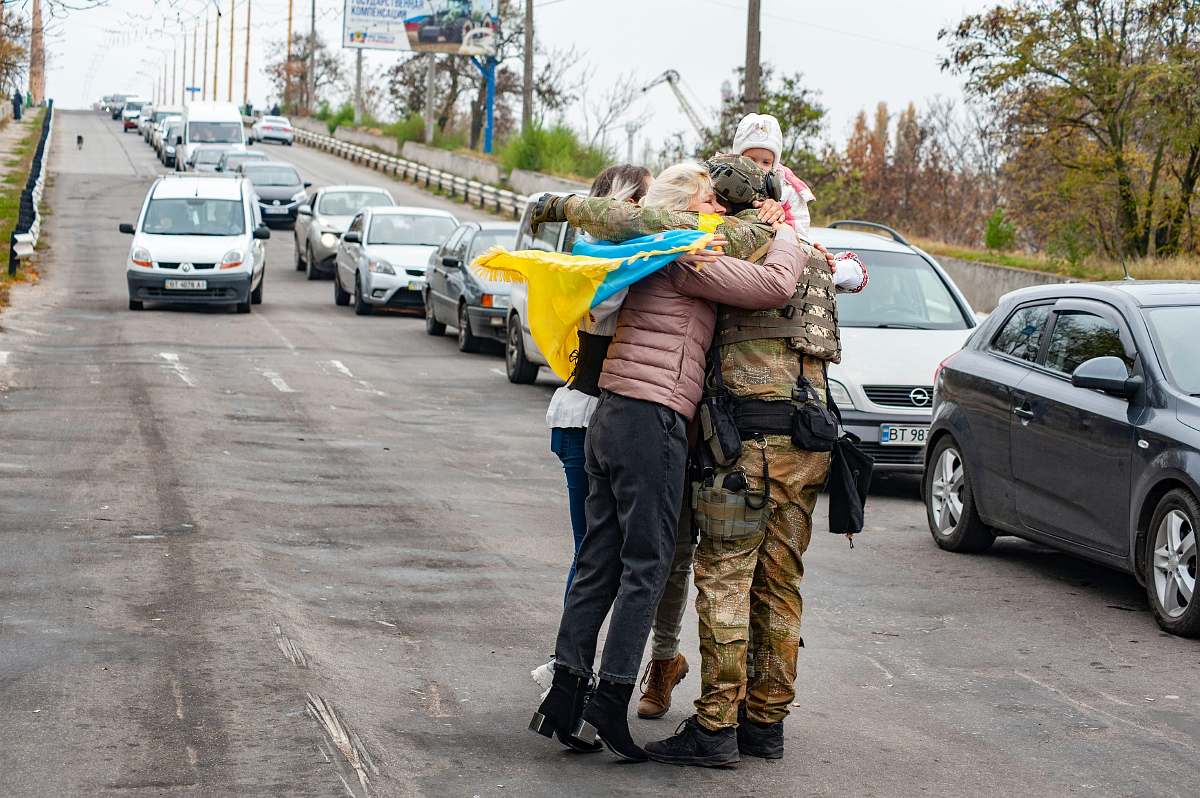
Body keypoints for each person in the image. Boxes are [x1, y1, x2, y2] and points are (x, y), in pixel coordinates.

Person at [538, 156, 866, 767]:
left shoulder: (670, 249)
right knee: (734, 580)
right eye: (708, 199)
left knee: (637, 566)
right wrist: (788, 230)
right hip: (676, 422)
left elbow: (778, 282)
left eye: (721, 199)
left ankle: (589, 699)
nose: (716, 208)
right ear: (689, 206)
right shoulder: (689, 250)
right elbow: (785, 283)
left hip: (634, 419)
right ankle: (747, 721)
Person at [731, 113, 817, 240]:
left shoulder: (788, 189)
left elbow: (800, 236)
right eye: (751, 160)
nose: (758, 167)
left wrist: (777, 220)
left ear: (774, 165)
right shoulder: (717, 181)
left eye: (766, 162)